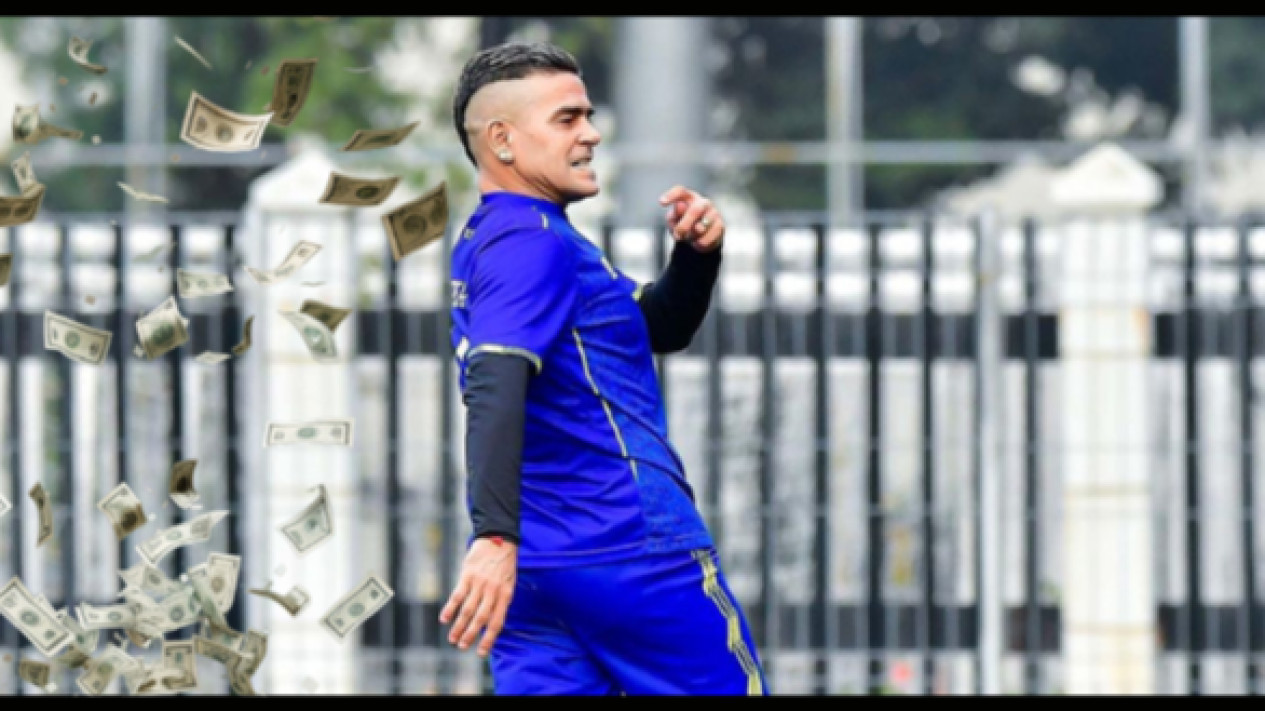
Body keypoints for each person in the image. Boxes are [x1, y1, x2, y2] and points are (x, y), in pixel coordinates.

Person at [438, 40, 768, 696]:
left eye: (587, 115)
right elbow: (494, 383)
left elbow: (655, 328)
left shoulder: (501, 237)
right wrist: (493, 538)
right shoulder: (532, 244)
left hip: (539, 573)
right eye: (567, 118)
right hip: (628, 548)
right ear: (502, 141)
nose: (590, 133)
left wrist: (694, 258)